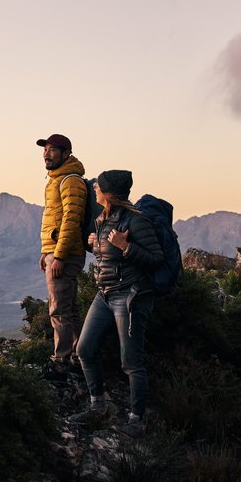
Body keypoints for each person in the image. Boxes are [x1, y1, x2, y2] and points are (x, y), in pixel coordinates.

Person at [72, 169, 163, 439]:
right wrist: (93, 244)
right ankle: (97, 407)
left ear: (110, 192)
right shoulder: (103, 218)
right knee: (85, 349)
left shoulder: (136, 221)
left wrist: (126, 247)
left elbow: (156, 257)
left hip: (131, 296)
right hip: (105, 294)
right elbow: (106, 256)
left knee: (131, 362)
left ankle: (137, 421)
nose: (95, 187)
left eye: (99, 185)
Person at [36, 133, 88, 382]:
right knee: (69, 309)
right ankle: (80, 357)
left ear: (66, 153)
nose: (47, 153)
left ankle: (60, 364)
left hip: (65, 256)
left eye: (53, 150)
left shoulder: (70, 181)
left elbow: (70, 221)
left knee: (59, 310)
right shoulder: (56, 180)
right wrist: (45, 252)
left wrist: (57, 256)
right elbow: (56, 219)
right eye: (45, 149)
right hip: (56, 253)